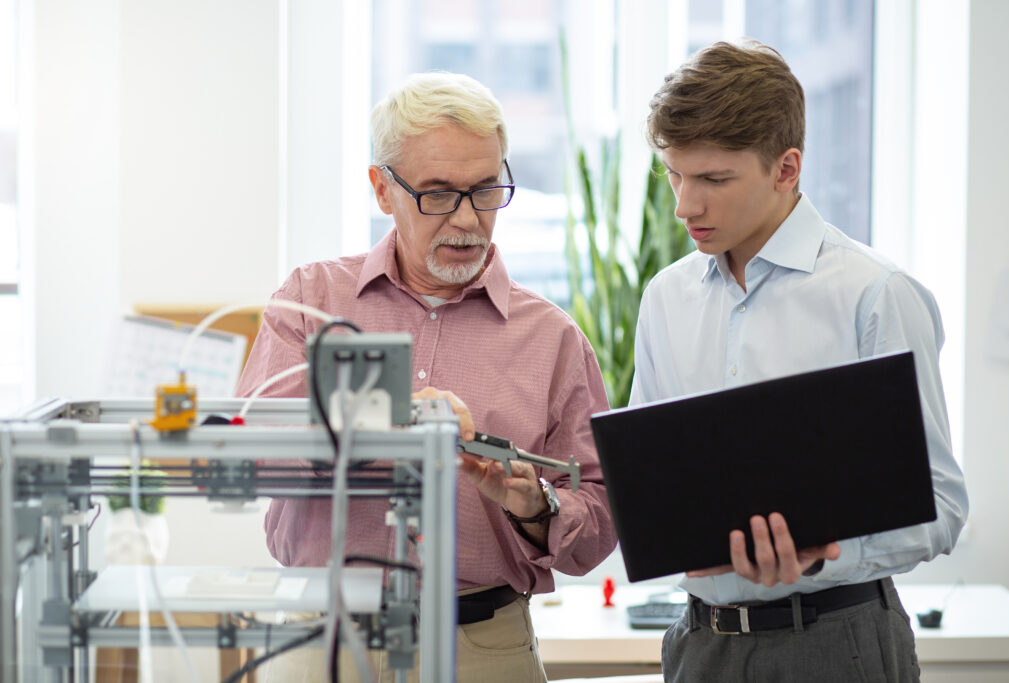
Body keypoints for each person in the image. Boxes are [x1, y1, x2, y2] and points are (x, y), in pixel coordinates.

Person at [235, 71, 617, 682]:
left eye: (486, 189)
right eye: (437, 193)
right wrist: (398, 412)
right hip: (321, 639)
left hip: (482, 646)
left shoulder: (553, 338)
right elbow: (253, 448)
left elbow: (598, 527)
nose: (466, 219)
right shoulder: (311, 299)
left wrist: (535, 506)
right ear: (382, 190)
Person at [631, 41, 968, 682]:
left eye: (713, 179)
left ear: (787, 168)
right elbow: (649, 487)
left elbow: (941, 507)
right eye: (674, 174)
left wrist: (818, 558)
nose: (684, 205)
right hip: (699, 647)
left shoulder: (875, 294)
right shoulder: (665, 298)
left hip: (838, 643)